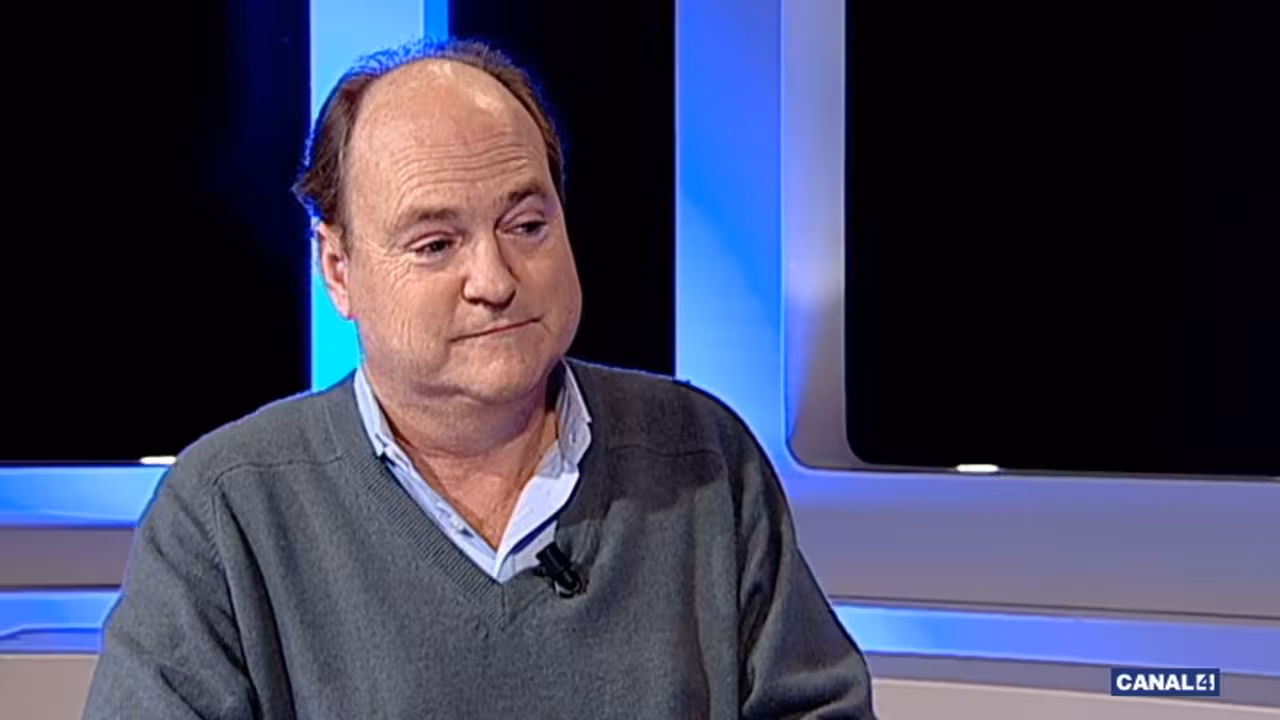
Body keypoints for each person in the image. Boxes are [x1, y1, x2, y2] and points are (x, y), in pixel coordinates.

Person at [83, 39, 875, 719]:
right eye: (436, 244)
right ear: (339, 268)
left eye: (526, 226)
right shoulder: (226, 510)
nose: (495, 279)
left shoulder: (701, 458)